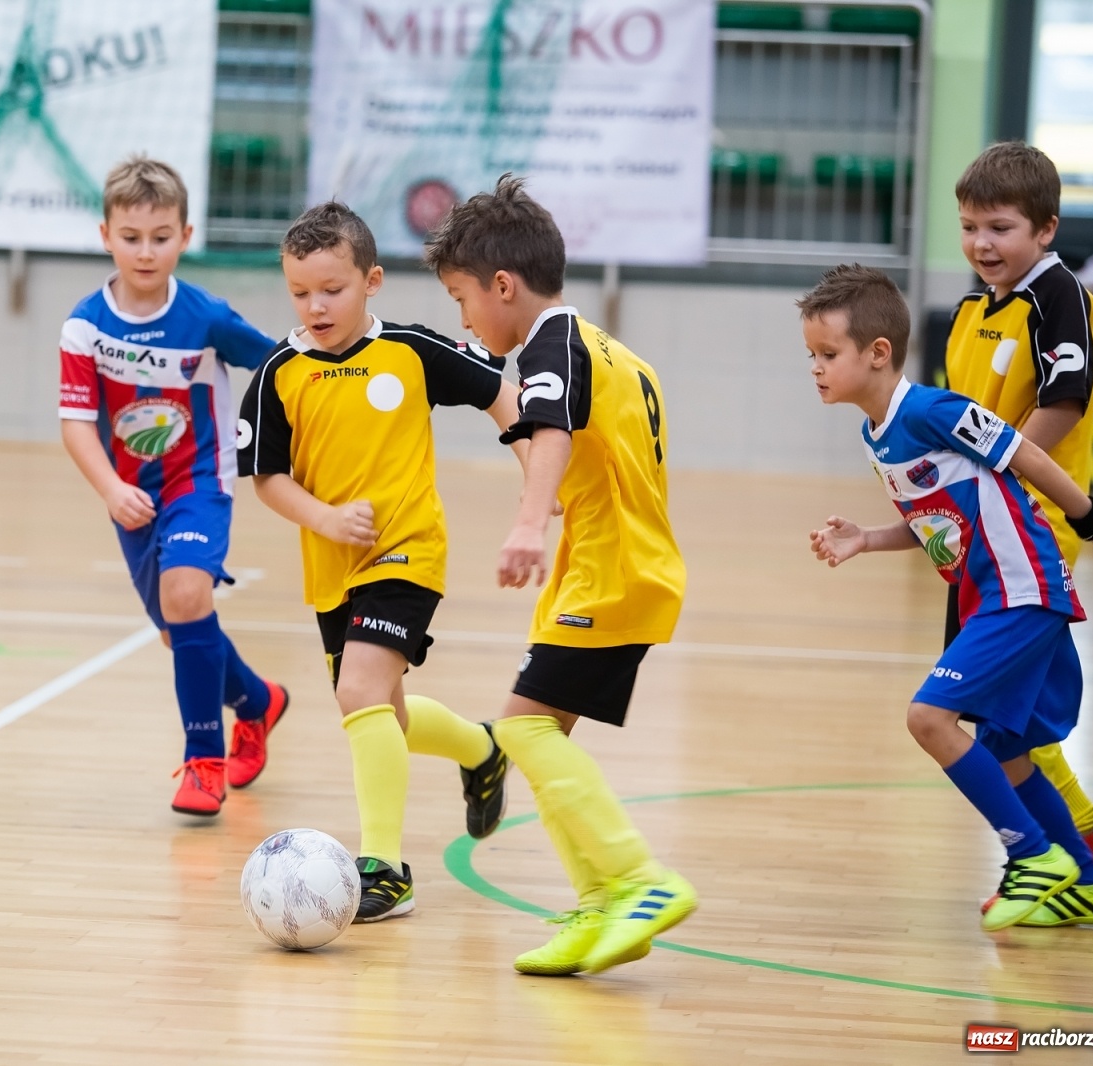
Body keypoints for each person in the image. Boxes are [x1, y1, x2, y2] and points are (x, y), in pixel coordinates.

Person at [424, 175, 696, 976]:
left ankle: (640, 879)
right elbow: (556, 435)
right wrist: (498, 410)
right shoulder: (617, 354)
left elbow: (551, 434)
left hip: (607, 571)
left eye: (461, 297)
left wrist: (524, 524)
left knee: (521, 730)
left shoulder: (554, 342)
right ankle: (595, 904)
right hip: (620, 568)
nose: (463, 317)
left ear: (502, 285)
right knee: (541, 737)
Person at [803, 264, 1093, 930]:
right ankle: (1085, 883)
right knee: (1009, 751)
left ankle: (1032, 857)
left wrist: (1091, 520)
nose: (816, 367)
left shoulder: (931, 410)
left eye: (827, 354)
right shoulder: (878, 434)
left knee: (929, 719)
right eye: (812, 355)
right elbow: (940, 528)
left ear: (879, 352)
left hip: (1022, 589)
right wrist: (868, 537)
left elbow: (1028, 458)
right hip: (996, 596)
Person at [237, 200, 520, 922]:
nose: (316, 305)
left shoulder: (412, 350)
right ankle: (480, 749)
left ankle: (385, 869)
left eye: (332, 289)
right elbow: (267, 477)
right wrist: (324, 518)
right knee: (379, 708)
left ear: (373, 281)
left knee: (359, 692)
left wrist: (537, 480)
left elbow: (501, 395)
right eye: (301, 292)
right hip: (332, 568)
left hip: (408, 549)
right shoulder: (279, 370)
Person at [58, 156, 288, 818]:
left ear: (186, 236)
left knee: (185, 594)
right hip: (130, 495)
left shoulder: (206, 317)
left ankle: (203, 761)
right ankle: (258, 701)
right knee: (177, 627)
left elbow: (277, 365)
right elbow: (75, 424)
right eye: (132, 237)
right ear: (106, 235)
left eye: (161, 236)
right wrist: (109, 489)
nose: (146, 250)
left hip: (199, 483)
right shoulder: (85, 326)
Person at [942, 141, 1093, 874]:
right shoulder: (971, 309)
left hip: (1031, 530)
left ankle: (1052, 856)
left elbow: (1066, 401)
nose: (981, 243)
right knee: (1008, 708)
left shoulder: (1057, 296)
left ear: (1045, 229)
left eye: (1000, 227)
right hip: (979, 530)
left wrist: (1003, 474)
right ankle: (1083, 837)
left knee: (980, 706)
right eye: (968, 227)